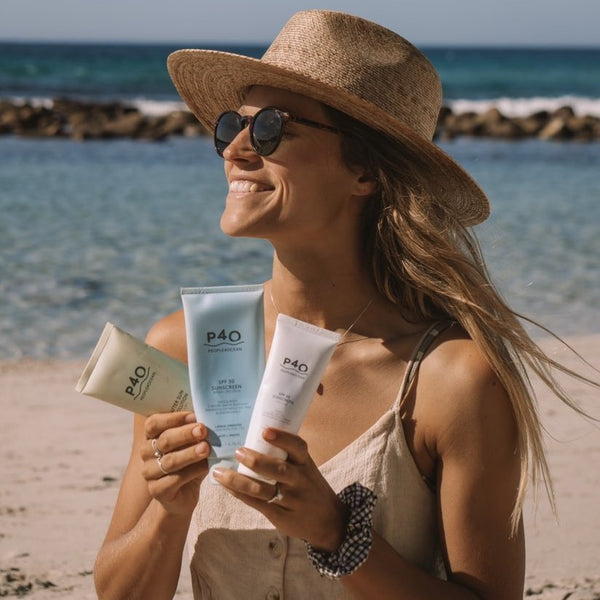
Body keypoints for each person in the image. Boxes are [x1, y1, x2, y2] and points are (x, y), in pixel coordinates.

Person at [93, 10, 594, 600]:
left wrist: (336, 534)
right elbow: (119, 593)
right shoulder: (186, 347)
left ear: (365, 171)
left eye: (273, 127)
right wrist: (168, 512)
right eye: (233, 124)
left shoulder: (452, 381)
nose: (235, 147)